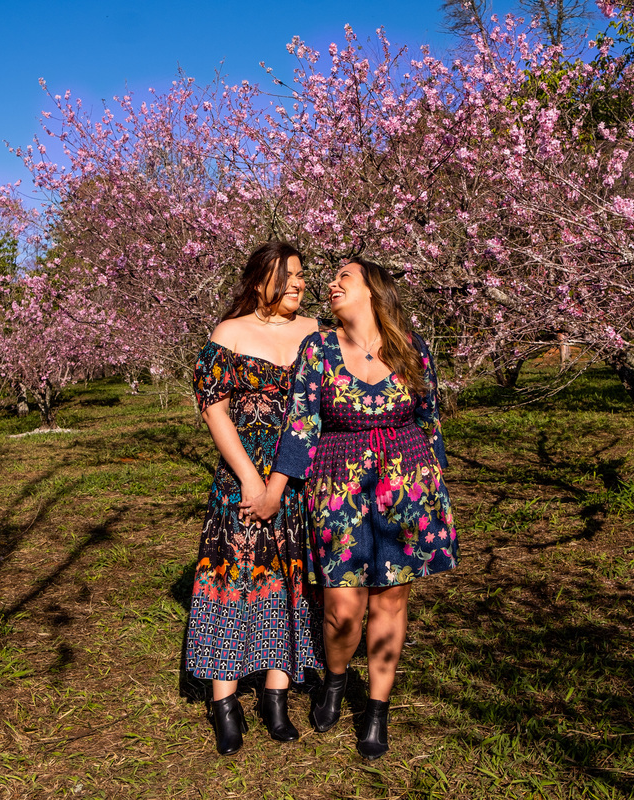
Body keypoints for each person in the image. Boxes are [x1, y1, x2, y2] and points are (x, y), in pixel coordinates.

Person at [245, 257, 458, 760]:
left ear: (372, 290)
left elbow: (429, 417)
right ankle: (336, 679)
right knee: (343, 608)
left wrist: (435, 484)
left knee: (391, 600)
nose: (331, 283)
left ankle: (377, 710)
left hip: (407, 484)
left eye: (345, 276)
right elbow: (301, 425)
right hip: (338, 484)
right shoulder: (318, 348)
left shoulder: (411, 347)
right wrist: (275, 489)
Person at [187, 241, 323, 755]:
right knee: (233, 575)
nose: (298, 283)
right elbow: (214, 409)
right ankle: (224, 704)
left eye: (302, 274)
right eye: (288, 275)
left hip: (298, 476)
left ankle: (275, 698)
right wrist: (249, 478)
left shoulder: (316, 332)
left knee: (289, 577)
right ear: (260, 279)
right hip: (241, 473)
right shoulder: (230, 332)